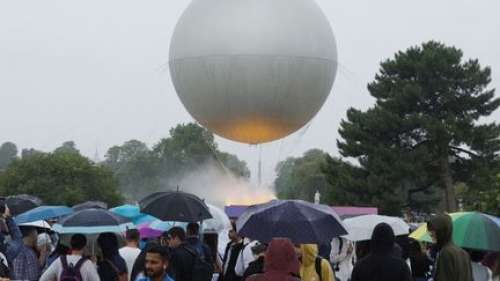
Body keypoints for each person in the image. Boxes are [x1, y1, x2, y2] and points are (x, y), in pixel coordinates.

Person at [427, 214, 473, 281]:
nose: (431, 233)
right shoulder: (463, 252)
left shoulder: (446, 252)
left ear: (442, 231)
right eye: (430, 230)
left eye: (433, 230)